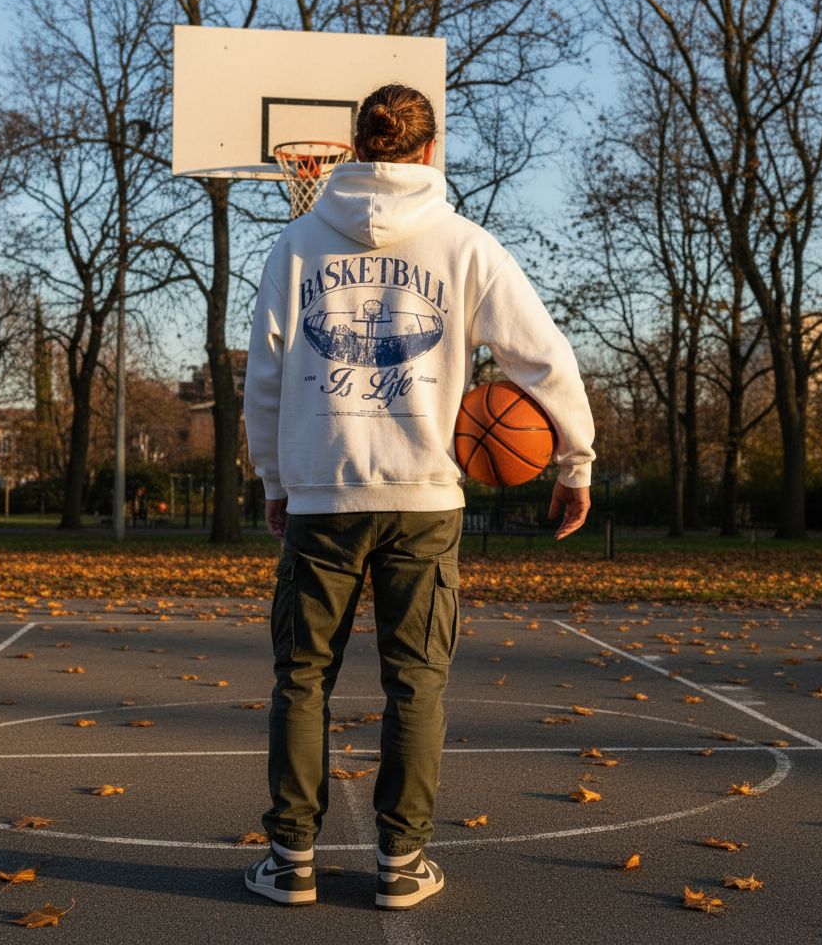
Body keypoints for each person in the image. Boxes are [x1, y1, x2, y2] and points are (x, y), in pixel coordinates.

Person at [243, 84, 595, 910]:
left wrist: (271, 477)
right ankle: (400, 863)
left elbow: (263, 377)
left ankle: (291, 858)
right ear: (430, 151)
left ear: (351, 148)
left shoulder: (294, 246)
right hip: (425, 496)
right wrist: (574, 460)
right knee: (416, 682)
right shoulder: (468, 246)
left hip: (323, 494)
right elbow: (545, 358)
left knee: (301, 676)